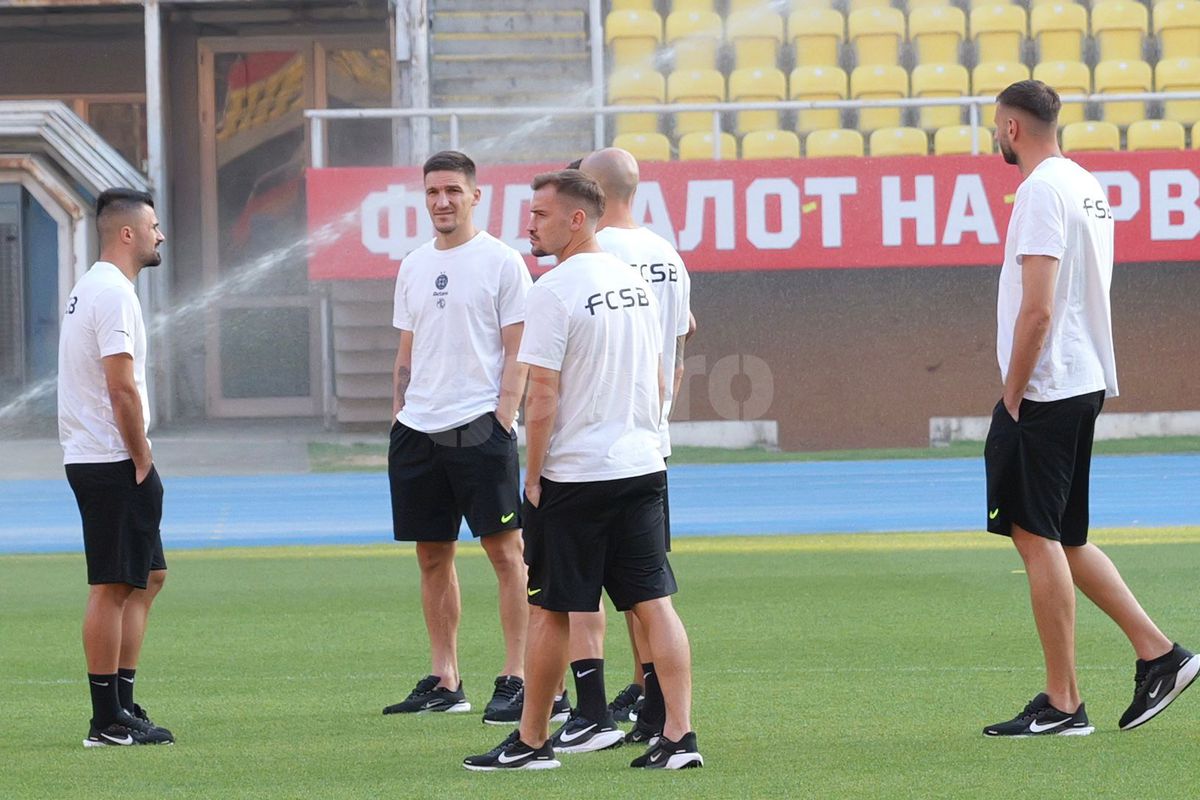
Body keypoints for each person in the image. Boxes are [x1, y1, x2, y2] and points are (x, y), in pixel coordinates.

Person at [463, 170, 702, 771]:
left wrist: (535, 476)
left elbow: (541, 395)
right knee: (654, 602)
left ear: (577, 219)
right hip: (643, 464)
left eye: (540, 214)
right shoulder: (637, 283)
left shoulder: (554, 289)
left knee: (549, 610)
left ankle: (533, 740)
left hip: (577, 474)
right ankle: (679, 737)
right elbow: (657, 372)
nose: (529, 224)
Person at [982, 80, 1197, 737]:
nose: (994, 135)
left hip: (1046, 389)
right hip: (1081, 381)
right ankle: (1160, 654)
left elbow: (1039, 305)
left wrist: (1012, 394)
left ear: (1012, 129)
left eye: (995, 125)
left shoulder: (1043, 190)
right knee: (1066, 537)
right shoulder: (1084, 183)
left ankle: (1064, 702)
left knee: (1036, 536)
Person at [383, 150, 567, 725]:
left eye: (453, 192)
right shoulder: (412, 264)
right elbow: (407, 351)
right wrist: (399, 412)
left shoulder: (503, 263)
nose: (443, 201)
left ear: (475, 196)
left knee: (506, 555)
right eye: (433, 191)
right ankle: (445, 677)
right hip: (418, 430)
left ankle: (515, 674)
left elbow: (520, 347)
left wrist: (502, 418)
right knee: (431, 555)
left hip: (479, 429)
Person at [543, 147, 696, 752]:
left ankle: (591, 711)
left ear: (592, 194)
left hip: (589, 445)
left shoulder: (595, 259)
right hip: (648, 441)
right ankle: (658, 711)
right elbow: (678, 351)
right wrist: (658, 418)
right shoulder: (668, 256)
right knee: (645, 590)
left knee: (579, 590)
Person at [59, 188, 175, 747]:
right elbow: (120, 385)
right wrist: (142, 455)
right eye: (153, 226)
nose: (160, 235)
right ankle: (105, 719)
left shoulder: (99, 288)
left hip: (105, 456)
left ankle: (123, 704)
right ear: (127, 233)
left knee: (148, 577)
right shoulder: (112, 293)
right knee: (110, 585)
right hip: (111, 459)